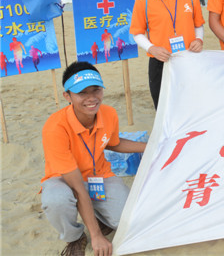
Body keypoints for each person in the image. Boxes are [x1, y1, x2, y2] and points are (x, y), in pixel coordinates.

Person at [41, 61, 146, 256]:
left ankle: (99, 217)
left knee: (127, 221)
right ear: (67, 96)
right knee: (56, 200)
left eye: (96, 90)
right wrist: (96, 235)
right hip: (64, 179)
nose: (91, 98)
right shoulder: (55, 127)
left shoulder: (109, 113)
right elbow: (77, 186)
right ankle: (74, 237)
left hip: (100, 175)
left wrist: (149, 147)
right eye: (82, 93)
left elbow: (113, 143)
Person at [130, 0, 205, 109]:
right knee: (164, 110)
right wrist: (152, 48)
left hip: (189, 58)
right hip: (160, 62)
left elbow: (198, 25)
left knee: (192, 107)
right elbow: (137, 33)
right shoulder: (144, 1)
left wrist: (199, 40)